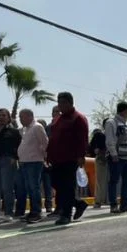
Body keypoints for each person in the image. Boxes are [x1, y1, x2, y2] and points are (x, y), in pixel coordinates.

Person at [46, 92, 89, 226]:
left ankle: (66, 215)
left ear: (70, 103)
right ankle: (78, 203)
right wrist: (49, 155)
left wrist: (81, 156)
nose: (60, 106)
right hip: (56, 158)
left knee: (67, 187)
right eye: (59, 103)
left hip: (70, 158)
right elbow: (53, 139)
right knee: (57, 184)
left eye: (63, 103)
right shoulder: (59, 119)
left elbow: (83, 139)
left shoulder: (78, 118)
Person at [17, 109, 48, 223]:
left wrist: (44, 157)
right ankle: (32, 211)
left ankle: (37, 211)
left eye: (22, 117)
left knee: (34, 187)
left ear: (30, 116)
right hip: (24, 162)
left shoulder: (37, 127)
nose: (20, 119)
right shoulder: (25, 129)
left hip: (34, 162)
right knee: (29, 187)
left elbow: (45, 143)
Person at [104, 102, 127, 213]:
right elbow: (110, 140)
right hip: (116, 157)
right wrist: (113, 154)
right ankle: (113, 205)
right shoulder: (111, 122)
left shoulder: (126, 123)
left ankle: (124, 204)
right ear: (124, 110)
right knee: (114, 181)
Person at [89, 120, 108, 209]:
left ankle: (109, 200)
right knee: (100, 181)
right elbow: (91, 148)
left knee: (112, 181)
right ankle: (98, 201)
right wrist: (98, 151)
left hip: (114, 161)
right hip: (101, 160)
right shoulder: (99, 136)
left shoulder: (116, 135)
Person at [38, 117, 54, 214]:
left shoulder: (48, 138)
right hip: (37, 164)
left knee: (48, 186)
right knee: (37, 186)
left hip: (47, 165)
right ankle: (38, 206)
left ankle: (49, 205)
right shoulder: (34, 137)